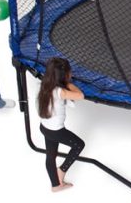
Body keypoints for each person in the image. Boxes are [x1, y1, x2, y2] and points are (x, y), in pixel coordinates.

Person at [37, 57, 85, 192]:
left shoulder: (44, 84)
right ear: (63, 76)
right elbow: (80, 95)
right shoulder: (60, 91)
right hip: (55, 130)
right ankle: (61, 171)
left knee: (50, 155)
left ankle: (56, 186)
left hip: (45, 127)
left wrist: (62, 81)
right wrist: (67, 83)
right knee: (79, 145)